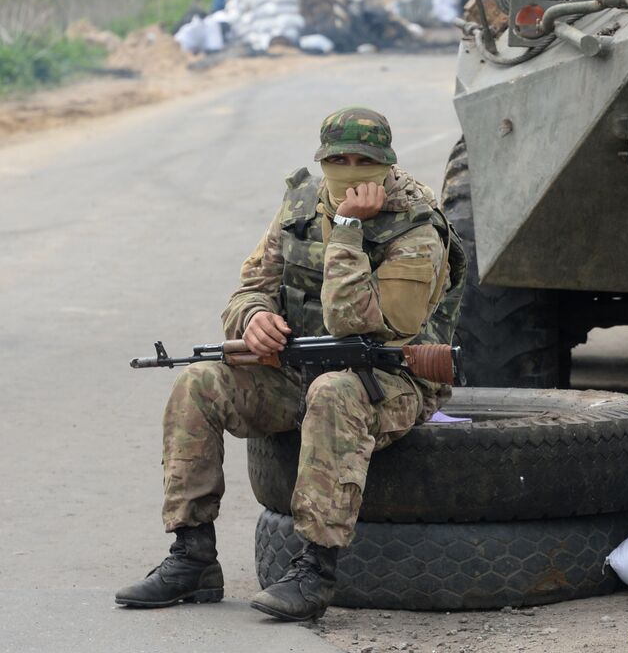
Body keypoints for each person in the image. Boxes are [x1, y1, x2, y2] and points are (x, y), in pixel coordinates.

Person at [116, 108, 465, 622]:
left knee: (334, 393)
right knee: (198, 383)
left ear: (387, 164)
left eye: (363, 161)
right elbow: (249, 287)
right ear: (322, 160)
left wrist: (347, 230)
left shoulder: (416, 226)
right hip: (295, 370)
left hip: (390, 380)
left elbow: (360, 323)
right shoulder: (301, 203)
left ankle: (315, 569)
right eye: (337, 160)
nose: (349, 171)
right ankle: (192, 557)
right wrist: (253, 318)